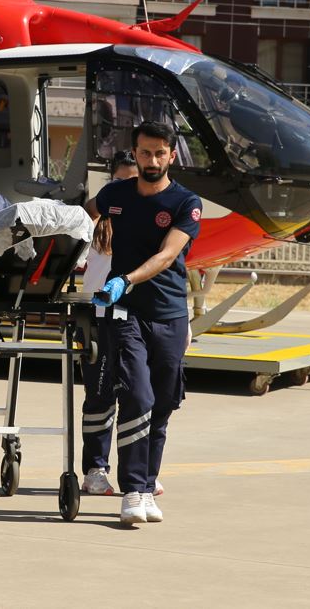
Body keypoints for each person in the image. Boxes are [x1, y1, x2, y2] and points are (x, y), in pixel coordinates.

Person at [86, 121, 201, 525]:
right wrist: (91, 234)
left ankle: (148, 484)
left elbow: (169, 255)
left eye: (159, 153)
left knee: (164, 403)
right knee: (137, 395)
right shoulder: (115, 194)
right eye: (144, 153)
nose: (152, 160)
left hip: (168, 313)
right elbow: (86, 214)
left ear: (172, 155)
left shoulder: (186, 203)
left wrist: (126, 279)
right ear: (133, 154)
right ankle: (133, 490)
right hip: (123, 313)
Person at [79, 149, 138, 496]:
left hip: (136, 318)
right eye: (121, 181)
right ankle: (95, 468)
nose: (128, 188)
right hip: (98, 318)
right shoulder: (95, 222)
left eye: (134, 181)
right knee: (99, 396)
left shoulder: (150, 222)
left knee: (137, 395)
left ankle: (140, 470)